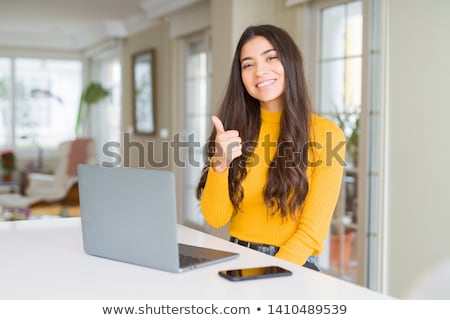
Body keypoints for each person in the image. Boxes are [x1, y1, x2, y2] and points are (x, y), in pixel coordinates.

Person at [196, 24, 346, 271]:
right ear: (241, 76)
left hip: (293, 267)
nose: (259, 72)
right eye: (248, 64)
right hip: (237, 258)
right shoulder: (233, 132)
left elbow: (311, 233)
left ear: (290, 62)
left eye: (271, 58)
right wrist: (220, 162)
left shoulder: (325, 134)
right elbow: (216, 218)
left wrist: (268, 276)